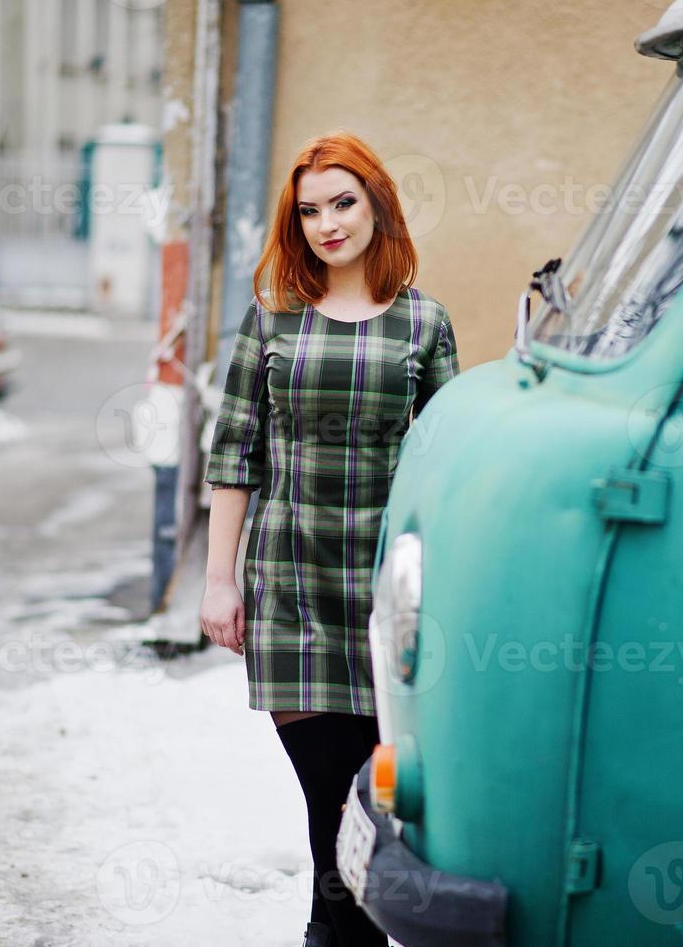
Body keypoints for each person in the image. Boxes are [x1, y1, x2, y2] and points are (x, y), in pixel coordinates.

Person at [198, 130, 459, 947]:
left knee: (377, 804)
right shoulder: (272, 319)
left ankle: (342, 934)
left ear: (377, 205)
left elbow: (448, 462)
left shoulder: (424, 322)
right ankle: (336, 934)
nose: (326, 223)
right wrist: (219, 581)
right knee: (331, 800)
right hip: (293, 592)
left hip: (386, 598)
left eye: (342, 203)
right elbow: (233, 453)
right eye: (309, 210)